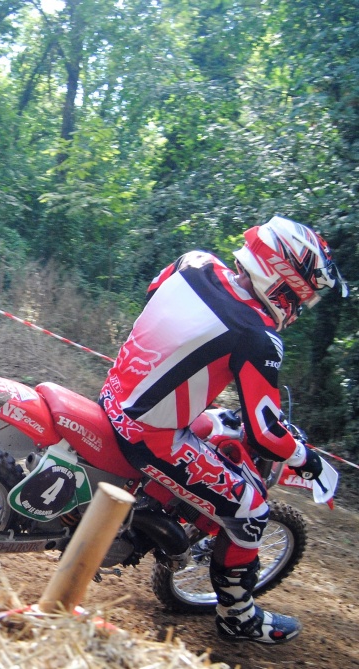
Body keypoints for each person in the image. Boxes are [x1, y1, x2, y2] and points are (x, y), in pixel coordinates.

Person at [99, 216, 348, 644]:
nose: (304, 303)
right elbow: (265, 432)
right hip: (149, 435)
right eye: (306, 292)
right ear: (285, 279)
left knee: (218, 422)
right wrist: (308, 461)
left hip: (114, 395)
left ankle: (147, 515)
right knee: (251, 510)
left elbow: (156, 299)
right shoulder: (257, 333)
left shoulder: (194, 262)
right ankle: (238, 617)